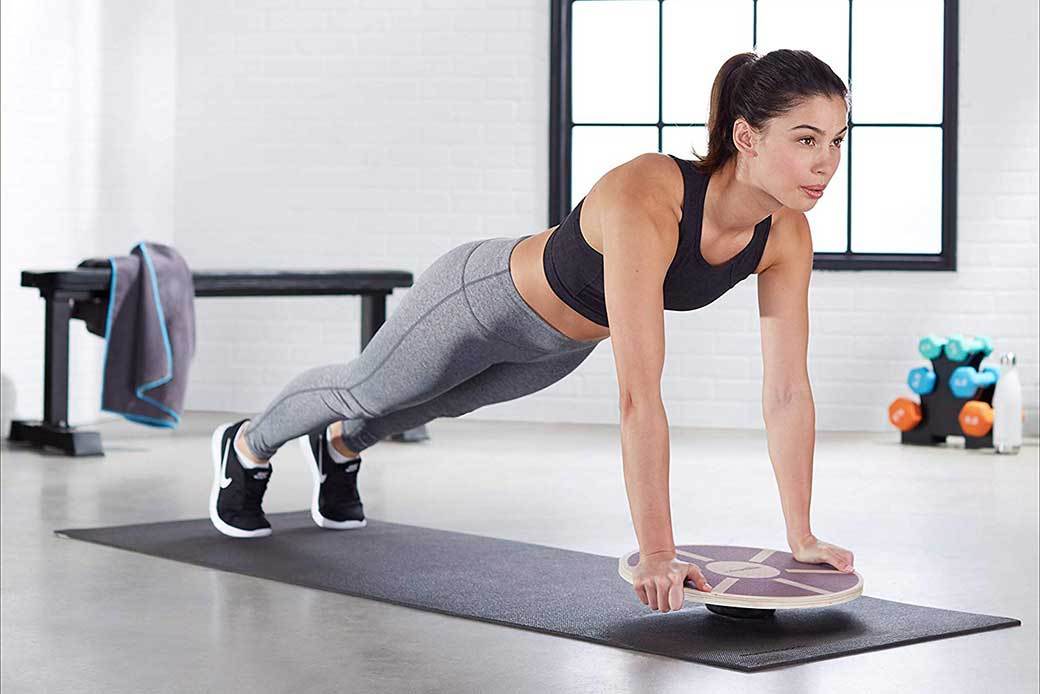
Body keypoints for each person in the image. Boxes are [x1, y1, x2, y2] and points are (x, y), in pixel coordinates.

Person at [209, 48, 856, 613]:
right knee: (368, 388)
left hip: (559, 345)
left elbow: (786, 393)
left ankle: (340, 450)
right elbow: (640, 396)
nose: (827, 162)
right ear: (746, 137)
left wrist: (800, 535)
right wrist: (658, 551)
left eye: (837, 141)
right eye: (806, 139)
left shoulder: (787, 236)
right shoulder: (649, 194)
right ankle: (246, 446)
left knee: (438, 402)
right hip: (479, 298)